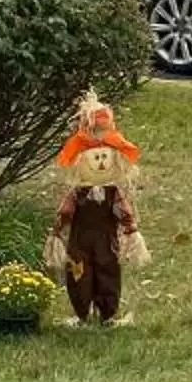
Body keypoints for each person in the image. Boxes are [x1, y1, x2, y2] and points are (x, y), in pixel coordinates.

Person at [44, 94, 148, 325]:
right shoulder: (77, 193)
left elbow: (123, 212)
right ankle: (81, 312)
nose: (101, 162)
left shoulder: (113, 193)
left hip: (106, 240)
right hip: (80, 241)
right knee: (78, 272)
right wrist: (57, 232)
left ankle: (107, 312)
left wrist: (131, 230)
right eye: (95, 157)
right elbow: (66, 212)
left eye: (104, 157)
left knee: (108, 270)